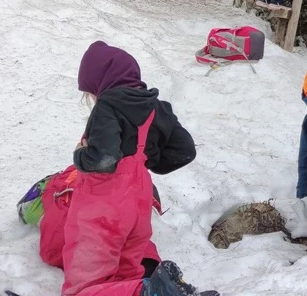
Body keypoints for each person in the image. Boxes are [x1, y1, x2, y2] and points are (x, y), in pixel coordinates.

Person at [59, 41, 215, 296]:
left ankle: (153, 292)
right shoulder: (156, 106)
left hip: (105, 206)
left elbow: (104, 159)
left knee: (84, 288)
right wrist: (148, 160)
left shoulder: (108, 105)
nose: (92, 97)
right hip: (139, 202)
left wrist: (80, 156)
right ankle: (155, 290)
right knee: (127, 271)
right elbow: (185, 150)